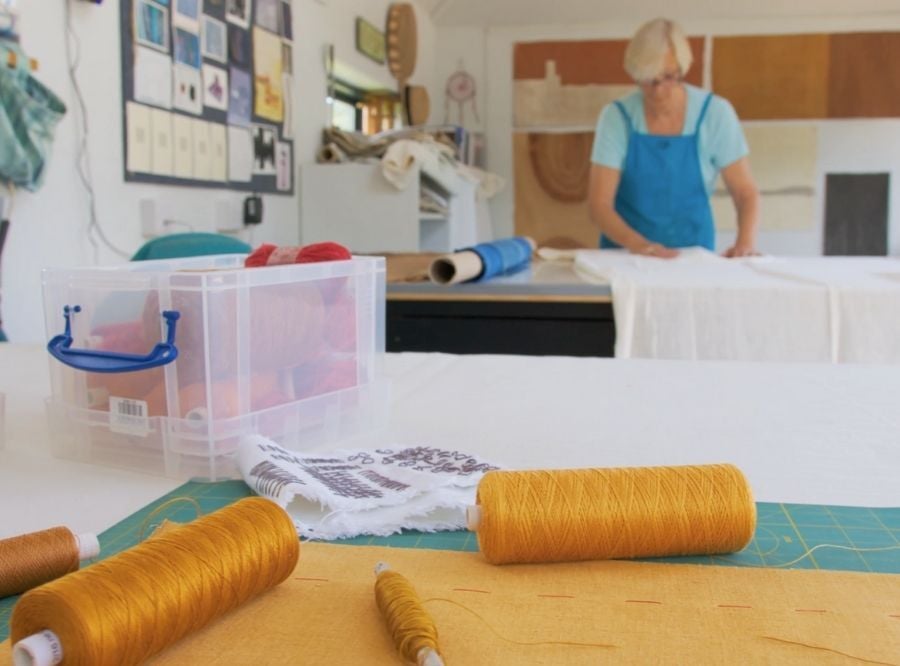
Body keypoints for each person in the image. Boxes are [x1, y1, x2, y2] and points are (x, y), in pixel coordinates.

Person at [588, 18, 759, 258]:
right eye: (648, 80)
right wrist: (638, 245)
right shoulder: (617, 117)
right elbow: (599, 205)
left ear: (682, 68)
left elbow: (745, 193)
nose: (658, 91)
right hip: (625, 255)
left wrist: (745, 243)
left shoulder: (714, 113)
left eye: (668, 77)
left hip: (693, 254)